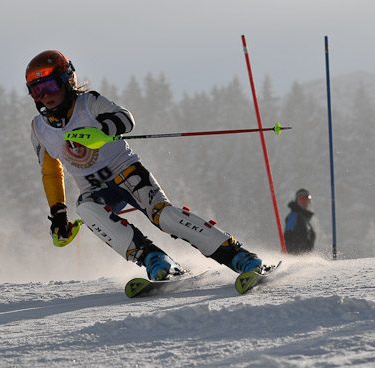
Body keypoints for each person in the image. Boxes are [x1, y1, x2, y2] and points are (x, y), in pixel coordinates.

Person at [27, 50, 265, 280]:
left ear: (68, 80)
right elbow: (50, 172)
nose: (45, 95)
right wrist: (58, 213)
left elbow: (125, 119)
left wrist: (101, 129)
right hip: (94, 189)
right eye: (37, 91)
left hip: (127, 173)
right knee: (86, 209)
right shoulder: (39, 129)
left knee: (164, 216)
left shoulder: (89, 103)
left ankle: (239, 256)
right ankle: (154, 259)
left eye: (51, 86)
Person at [284, 188, 316, 255]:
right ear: (296, 201)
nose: (304, 201)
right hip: (295, 258)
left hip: (305, 258)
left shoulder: (306, 220)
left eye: (306, 198)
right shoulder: (293, 216)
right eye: (301, 198)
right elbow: (287, 236)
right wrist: (291, 254)